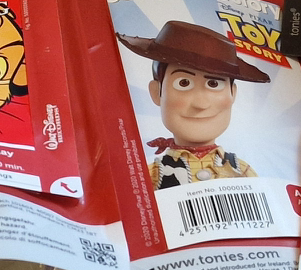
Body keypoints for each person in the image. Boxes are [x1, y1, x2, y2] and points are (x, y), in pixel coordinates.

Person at [115, 21, 269, 190]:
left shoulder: (243, 171)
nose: (201, 104)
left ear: (233, 93)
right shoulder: (150, 176)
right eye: (184, 83)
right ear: (156, 92)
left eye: (213, 84)